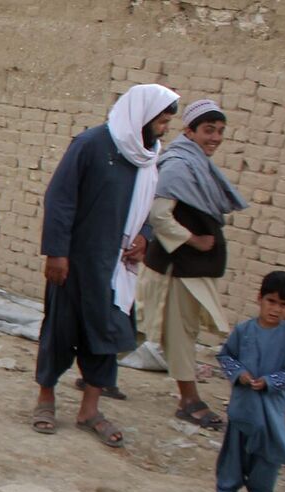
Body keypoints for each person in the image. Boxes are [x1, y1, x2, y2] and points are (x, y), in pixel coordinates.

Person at [32, 83, 179, 448]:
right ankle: (45, 399)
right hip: (76, 263)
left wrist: (144, 236)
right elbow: (60, 198)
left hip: (115, 269)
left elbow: (149, 208)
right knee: (60, 331)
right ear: (143, 116)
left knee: (106, 335)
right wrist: (56, 252)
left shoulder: (148, 157)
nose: (163, 129)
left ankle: (89, 410)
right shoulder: (92, 145)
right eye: (160, 121)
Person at [139, 98, 246, 431]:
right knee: (179, 333)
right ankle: (189, 401)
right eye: (208, 130)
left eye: (220, 131)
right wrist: (194, 240)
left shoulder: (197, 163)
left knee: (156, 327)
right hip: (180, 268)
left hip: (193, 269)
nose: (215, 137)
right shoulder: (179, 165)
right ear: (190, 131)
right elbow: (158, 215)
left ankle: (97, 375)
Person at [208, 271, 285, 492]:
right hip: (244, 406)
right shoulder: (244, 330)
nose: (276, 310)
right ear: (259, 299)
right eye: (271, 302)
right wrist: (239, 373)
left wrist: (271, 382)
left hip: (271, 410)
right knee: (234, 451)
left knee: (267, 455)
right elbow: (226, 356)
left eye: (284, 305)